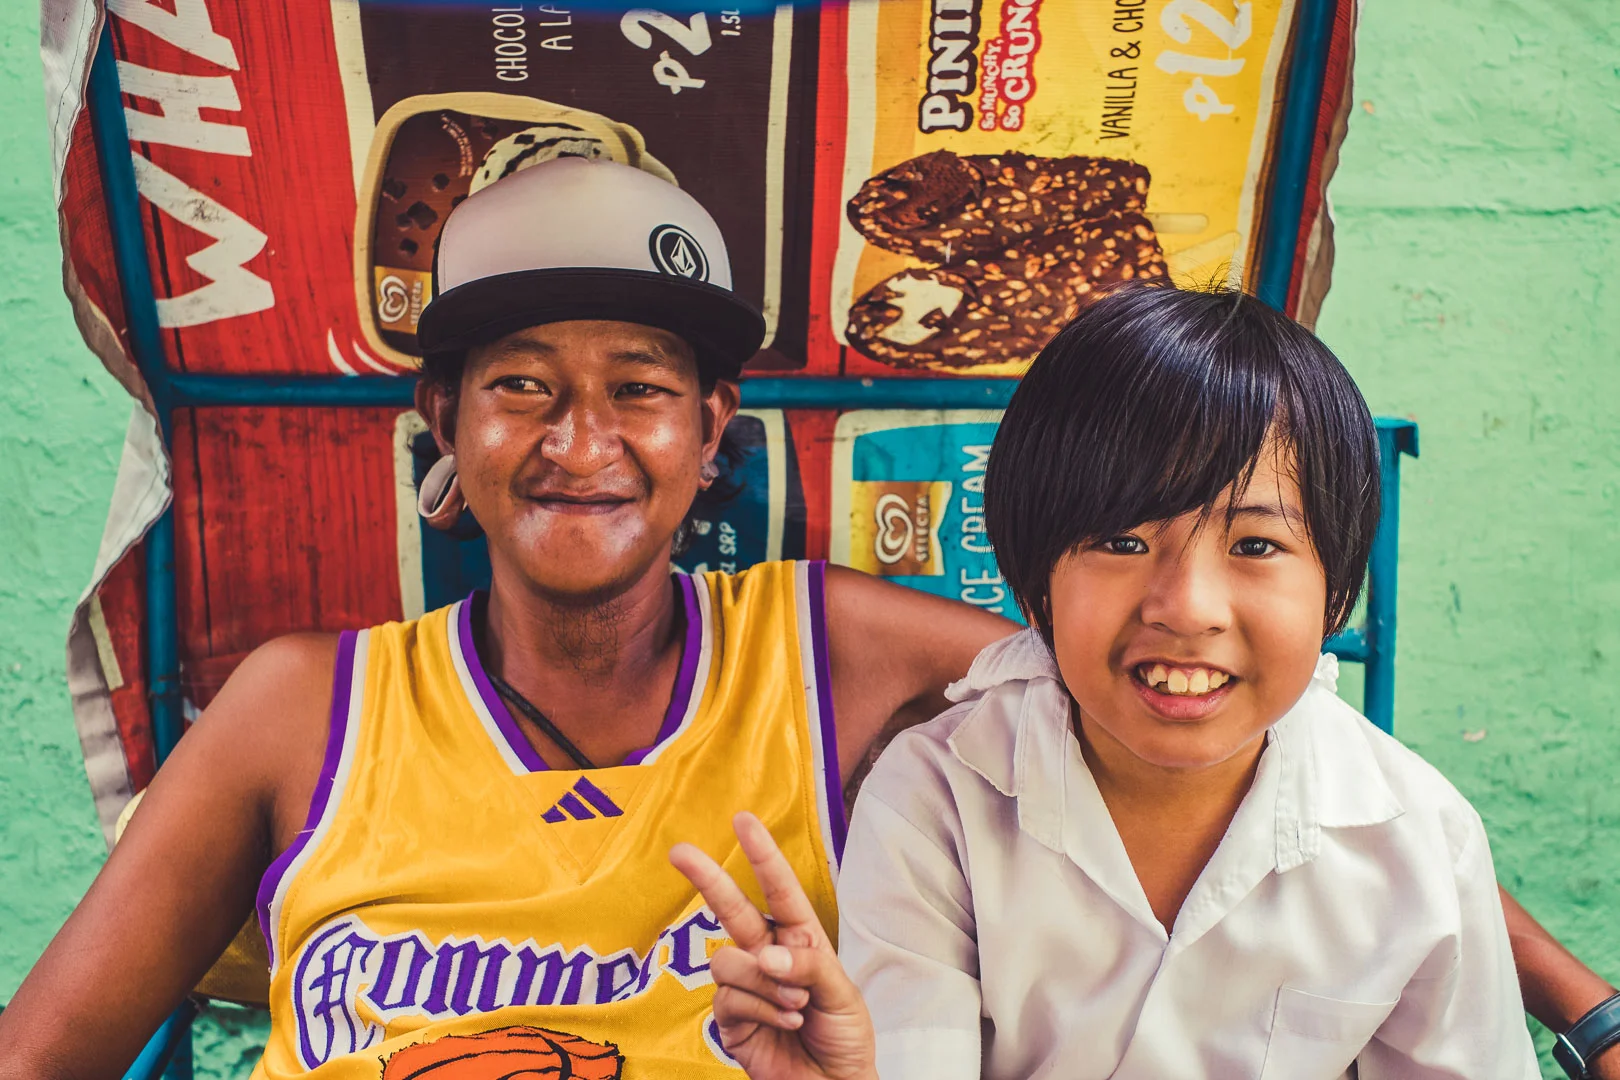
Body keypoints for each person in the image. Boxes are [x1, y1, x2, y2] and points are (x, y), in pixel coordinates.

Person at [0, 161, 1613, 1079]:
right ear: (445, 426)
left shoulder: (835, 651)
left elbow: (1208, 711)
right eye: (519, 391)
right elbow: (56, 1045)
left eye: (640, 392)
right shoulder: (305, 704)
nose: (579, 443)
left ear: (717, 436)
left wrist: (1578, 999)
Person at [674, 285, 1544, 1079]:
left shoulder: (1421, 842)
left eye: (1255, 546)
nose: (1187, 608)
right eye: (1122, 542)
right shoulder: (936, 799)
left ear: (1335, 586)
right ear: (1033, 578)